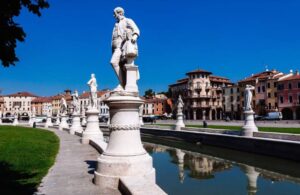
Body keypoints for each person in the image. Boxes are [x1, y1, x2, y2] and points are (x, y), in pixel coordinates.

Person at [110, 7, 140, 91]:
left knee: (113, 62)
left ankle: (122, 83)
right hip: (115, 47)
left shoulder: (127, 20)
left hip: (121, 46)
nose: (113, 15)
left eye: (114, 13)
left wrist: (134, 37)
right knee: (120, 65)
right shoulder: (116, 24)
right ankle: (122, 83)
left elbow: (136, 29)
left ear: (119, 13)